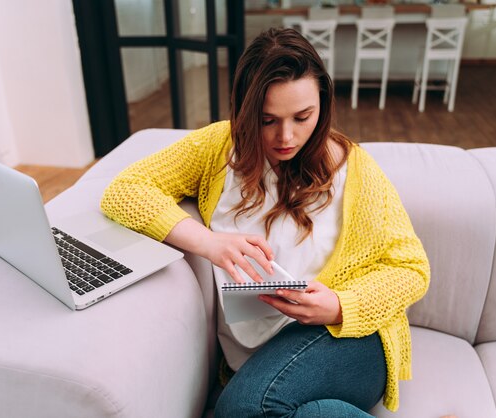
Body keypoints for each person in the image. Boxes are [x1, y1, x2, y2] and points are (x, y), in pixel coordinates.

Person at [100, 28, 430, 417]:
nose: (286, 137)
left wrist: (340, 305)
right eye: (267, 119)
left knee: (240, 408)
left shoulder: (353, 168)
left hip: (347, 338)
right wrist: (209, 243)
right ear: (243, 109)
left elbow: (411, 268)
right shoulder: (217, 148)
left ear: (322, 104)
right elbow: (125, 190)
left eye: (303, 117)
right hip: (261, 357)